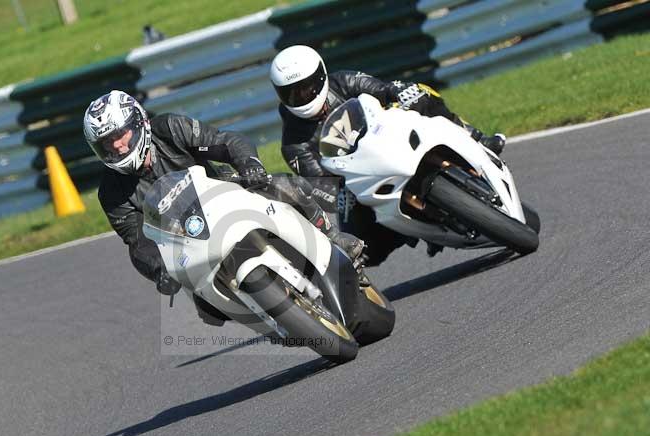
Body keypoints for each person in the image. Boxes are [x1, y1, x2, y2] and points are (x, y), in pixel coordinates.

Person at [84, 90, 364, 301]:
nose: (118, 145)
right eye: (107, 142)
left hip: (226, 196)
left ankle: (330, 237)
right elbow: (137, 241)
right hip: (189, 245)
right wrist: (159, 270)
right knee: (205, 308)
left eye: (120, 134)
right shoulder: (112, 193)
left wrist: (249, 164)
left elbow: (222, 142)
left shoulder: (169, 129)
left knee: (284, 185)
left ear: (138, 123)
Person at [270, 45, 507, 263]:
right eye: (292, 93)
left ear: (321, 76)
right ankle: (413, 230)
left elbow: (381, 89)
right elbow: (323, 182)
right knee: (363, 248)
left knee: (420, 94)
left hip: (388, 138)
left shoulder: (344, 81)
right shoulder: (293, 144)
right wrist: (339, 193)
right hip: (359, 178)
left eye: (307, 87)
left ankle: (474, 136)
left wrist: (397, 91)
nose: (302, 96)